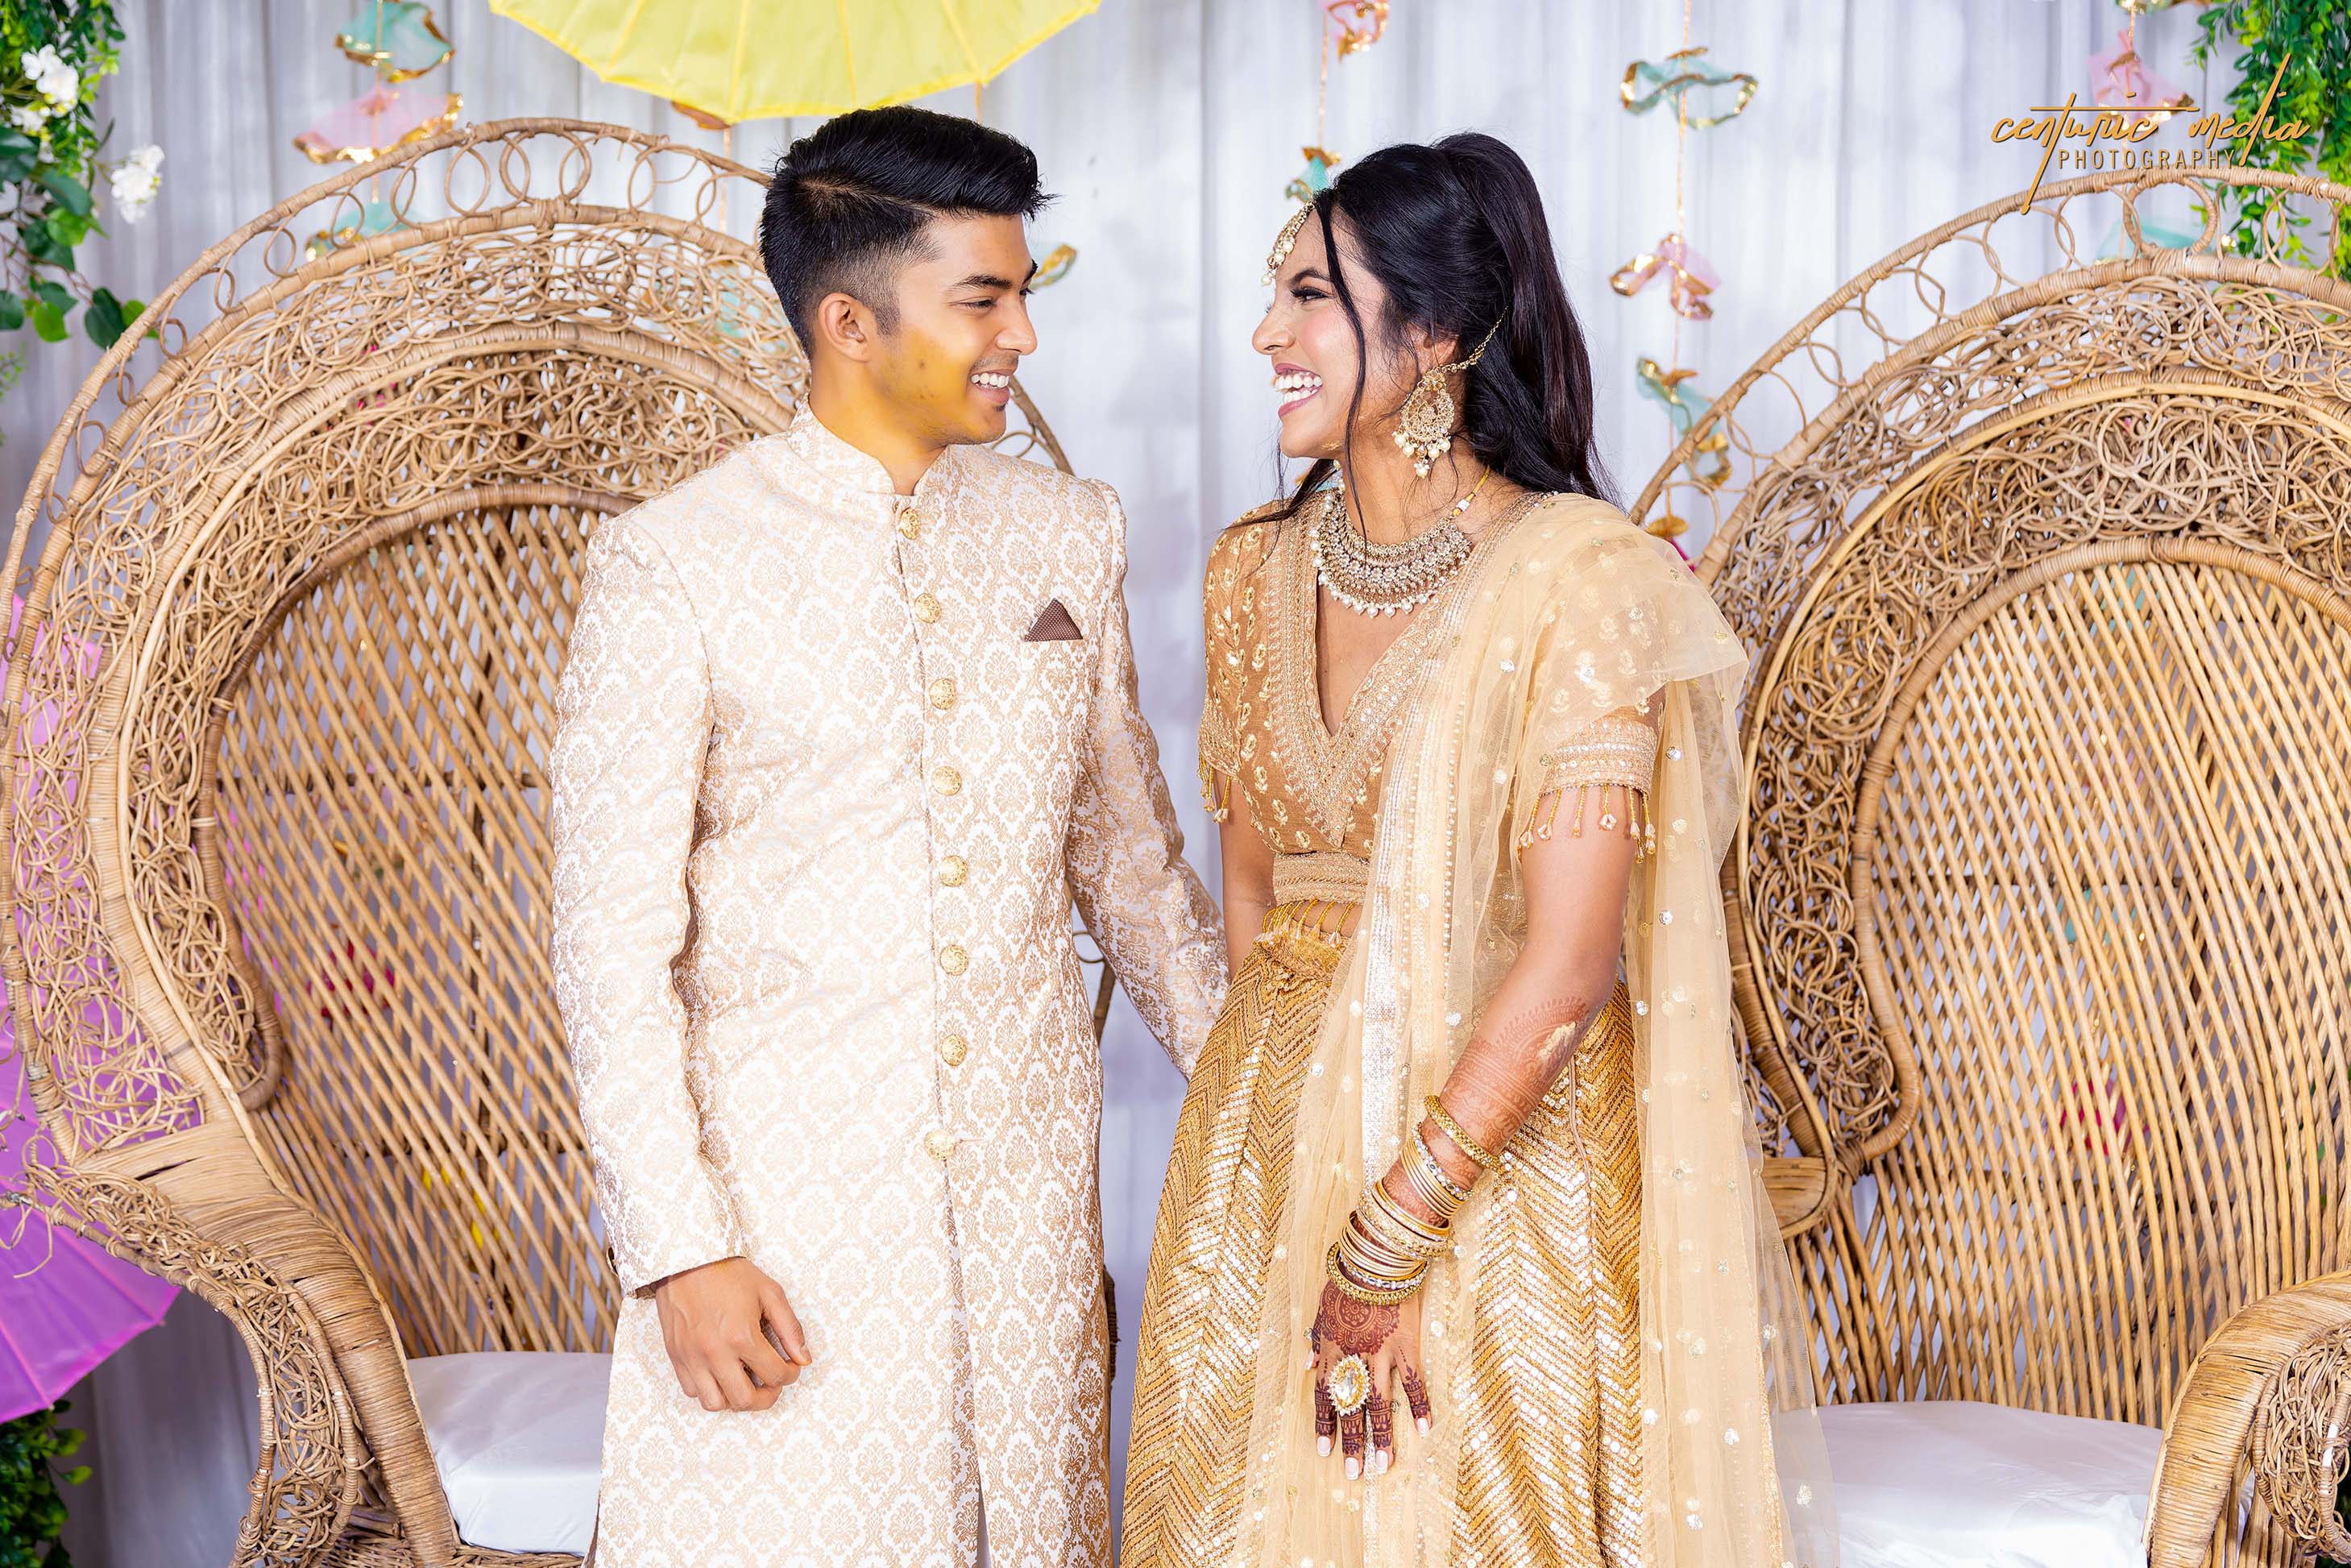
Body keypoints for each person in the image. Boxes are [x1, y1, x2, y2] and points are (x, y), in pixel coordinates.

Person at [1121, 134, 1835, 1566]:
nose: (1266, 334)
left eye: (1310, 295)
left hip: (1497, 1175)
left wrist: (1391, 1226)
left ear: (1436, 335)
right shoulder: (1249, 569)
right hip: (1263, 1157)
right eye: (1273, 293)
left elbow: (1569, 964)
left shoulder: (1579, 579)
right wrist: (1279, 1158)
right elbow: (1252, 882)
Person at [546, 105, 1227, 1568]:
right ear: (848, 322)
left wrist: (1265, 1104)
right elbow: (609, 950)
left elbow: (1130, 871)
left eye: (1022, 293)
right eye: (983, 299)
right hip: (786, 1228)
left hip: (1028, 1224)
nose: (1021, 336)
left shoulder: (1067, 532)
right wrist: (680, 1247)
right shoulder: (676, 562)